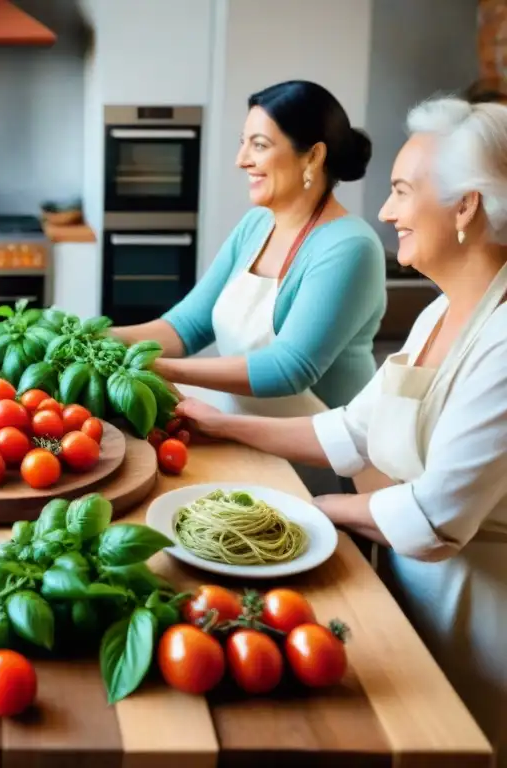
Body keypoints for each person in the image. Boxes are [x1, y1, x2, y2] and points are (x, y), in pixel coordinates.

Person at [176, 97, 507, 764]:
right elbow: (354, 431)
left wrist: (298, 511)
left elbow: (435, 520)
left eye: (401, 192)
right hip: (411, 594)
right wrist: (222, 427)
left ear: (465, 207)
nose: (385, 212)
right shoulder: (441, 313)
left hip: (482, 621)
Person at [114, 81, 386, 420]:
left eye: (259, 145)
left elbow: (287, 369)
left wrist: (152, 366)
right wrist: (94, 339)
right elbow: (187, 327)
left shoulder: (349, 247)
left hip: (325, 456)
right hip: (247, 429)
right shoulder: (256, 225)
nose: (241, 160)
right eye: (243, 144)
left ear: (313, 156)